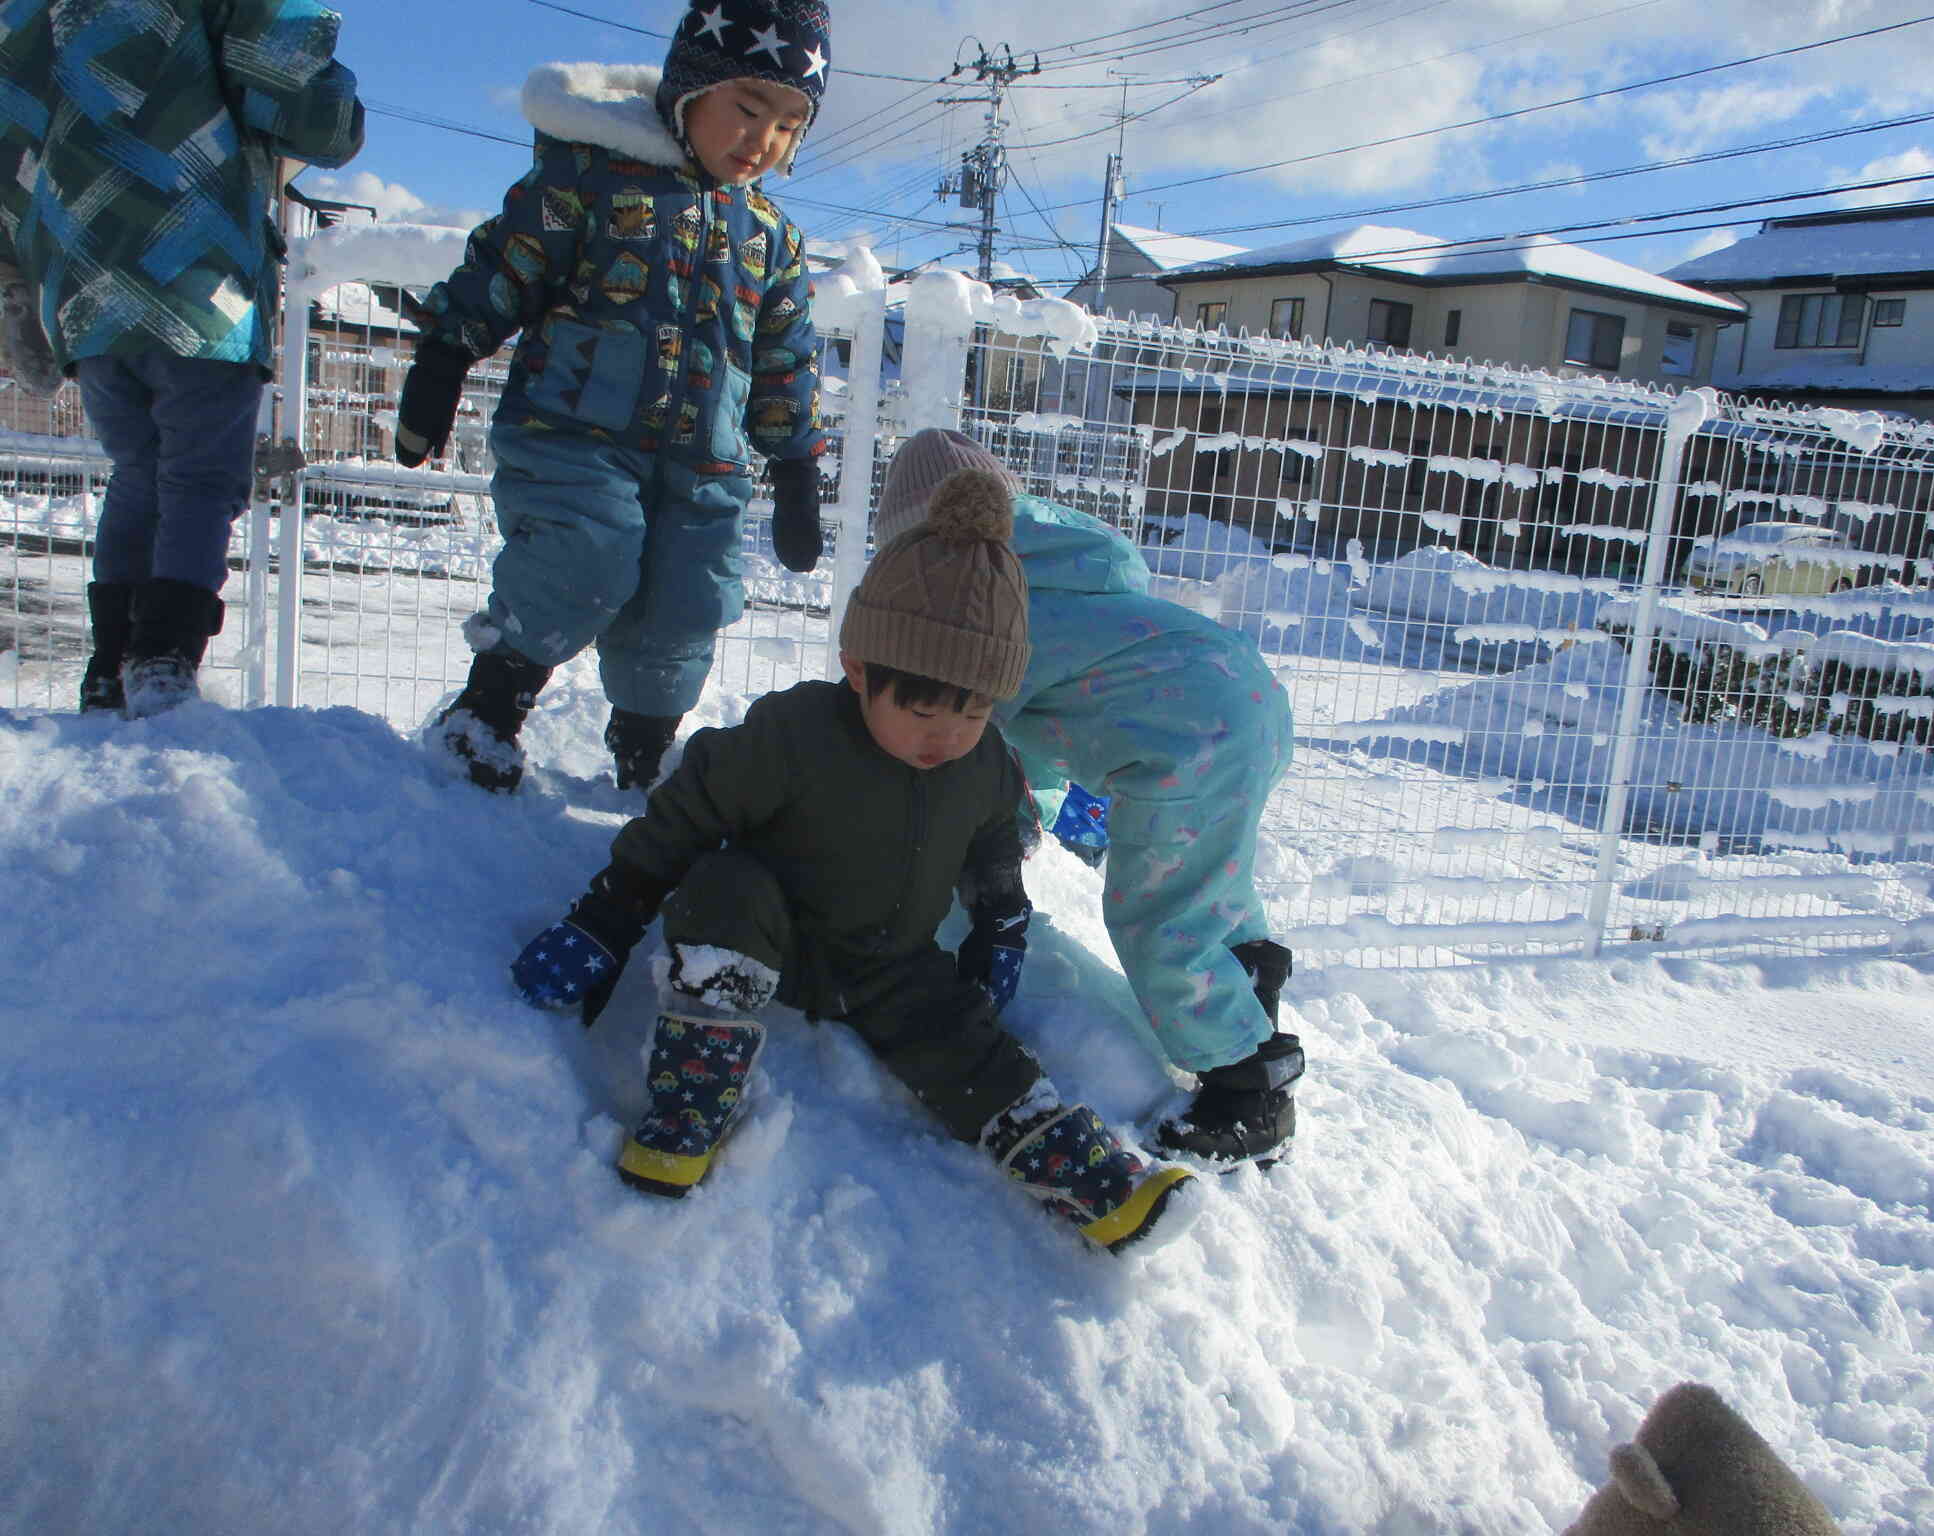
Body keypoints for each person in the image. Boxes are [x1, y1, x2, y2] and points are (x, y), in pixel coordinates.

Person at [509, 467, 1203, 1257]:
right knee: (724, 886)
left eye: (975, 709)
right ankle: (690, 1099)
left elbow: (992, 847)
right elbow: (684, 816)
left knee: (968, 1040)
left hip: (887, 962)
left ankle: (1091, 1182)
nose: (947, 732)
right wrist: (606, 919)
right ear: (861, 669)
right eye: (922, 706)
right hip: (767, 934)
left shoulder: (981, 766)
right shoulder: (792, 734)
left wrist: (1002, 926)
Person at [394, 0, 833, 794]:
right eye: (748, 107)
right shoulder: (592, 177)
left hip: (705, 463)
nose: (762, 140)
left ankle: (645, 750)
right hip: (573, 434)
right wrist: (445, 354)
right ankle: (488, 711)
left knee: (688, 603)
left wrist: (796, 461)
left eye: (788, 124)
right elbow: (511, 262)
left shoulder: (773, 237)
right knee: (582, 557)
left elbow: (785, 359)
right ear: (691, 91)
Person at [873, 428, 1306, 1171]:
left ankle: (1248, 1092)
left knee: (1163, 917)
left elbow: (976, 742)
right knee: (1210, 885)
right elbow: (1030, 729)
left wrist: (992, 835)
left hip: (1192, 736)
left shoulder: (979, 601)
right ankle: (1250, 996)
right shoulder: (1062, 566)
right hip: (1246, 699)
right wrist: (1024, 811)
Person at [0, 0, 364, 717]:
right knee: (199, 477)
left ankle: (109, 667)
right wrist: (339, 108)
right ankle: (162, 662)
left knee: (138, 473)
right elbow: (307, 102)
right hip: (196, 276)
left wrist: (19, 281)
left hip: (87, 287)